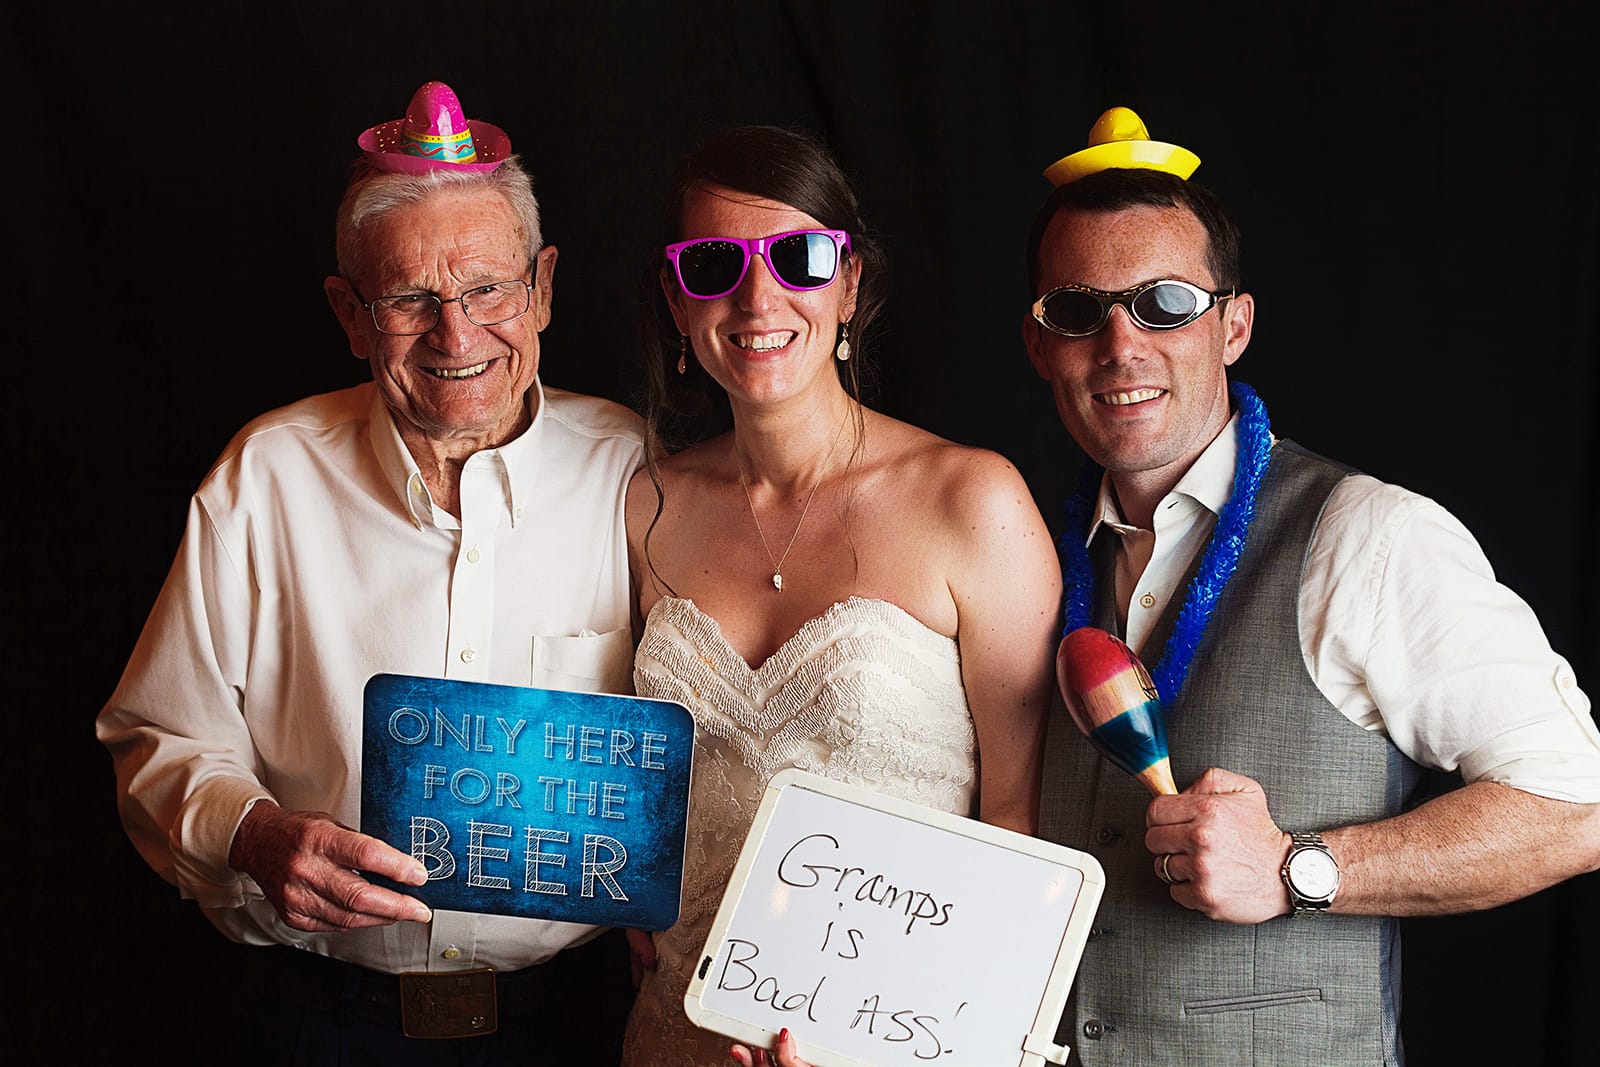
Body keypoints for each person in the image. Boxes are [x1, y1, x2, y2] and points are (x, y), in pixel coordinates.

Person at [1024, 107, 1600, 1065]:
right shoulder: (1030, 557)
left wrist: (1300, 867)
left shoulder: (1369, 535)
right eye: (1079, 310)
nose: (1121, 345)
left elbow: (1579, 806)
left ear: (1235, 324)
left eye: (1165, 302)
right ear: (1041, 344)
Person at [95, 81, 644, 1064]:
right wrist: (254, 831)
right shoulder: (265, 474)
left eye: (488, 289)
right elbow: (158, 739)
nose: (457, 334)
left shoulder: (636, 472)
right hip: (320, 1022)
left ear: (544, 288)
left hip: (580, 1022)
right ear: (351, 313)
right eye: (409, 300)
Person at [617, 124, 1063, 1067]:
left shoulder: (971, 500)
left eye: (800, 256)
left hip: (894, 1043)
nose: (757, 297)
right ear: (675, 295)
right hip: (678, 1035)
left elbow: (1018, 827)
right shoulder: (643, 508)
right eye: (712, 262)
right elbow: (637, 803)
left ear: (851, 281)